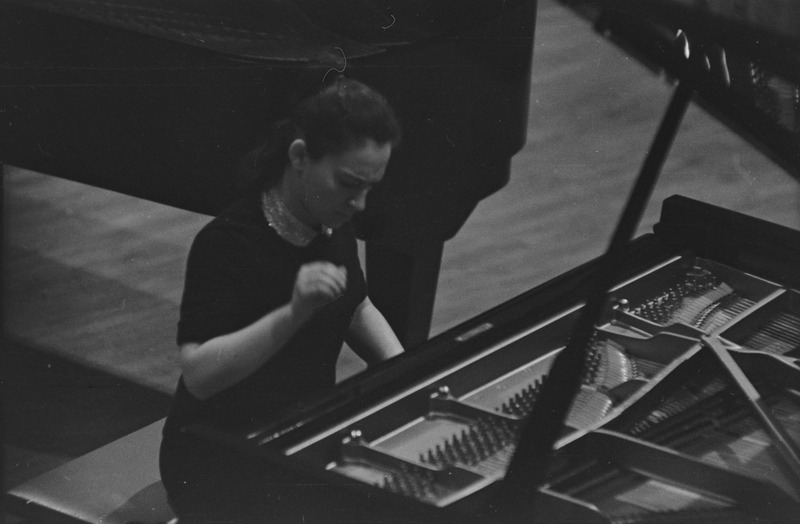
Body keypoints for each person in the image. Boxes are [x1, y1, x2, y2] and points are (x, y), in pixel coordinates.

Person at [159, 77, 404, 522]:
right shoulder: (227, 242)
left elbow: (357, 305)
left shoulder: (331, 219)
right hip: (221, 456)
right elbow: (198, 375)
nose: (361, 203)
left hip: (303, 438)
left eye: (371, 187)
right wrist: (292, 315)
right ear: (299, 157)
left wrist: (404, 369)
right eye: (350, 183)